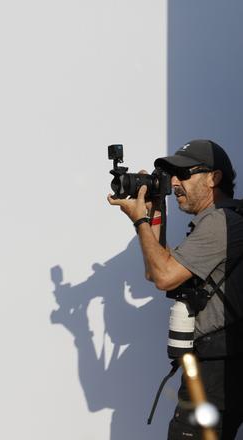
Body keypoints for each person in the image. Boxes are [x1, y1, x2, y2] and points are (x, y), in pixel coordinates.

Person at [108, 140, 243, 439]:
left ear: (213, 178)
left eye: (184, 174)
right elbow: (156, 269)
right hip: (221, 367)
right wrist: (155, 211)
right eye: (172, 177)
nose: (176, 183)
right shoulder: (226, 219)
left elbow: (164, 277)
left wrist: (140, 219)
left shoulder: (219, 221)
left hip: (216, 373)